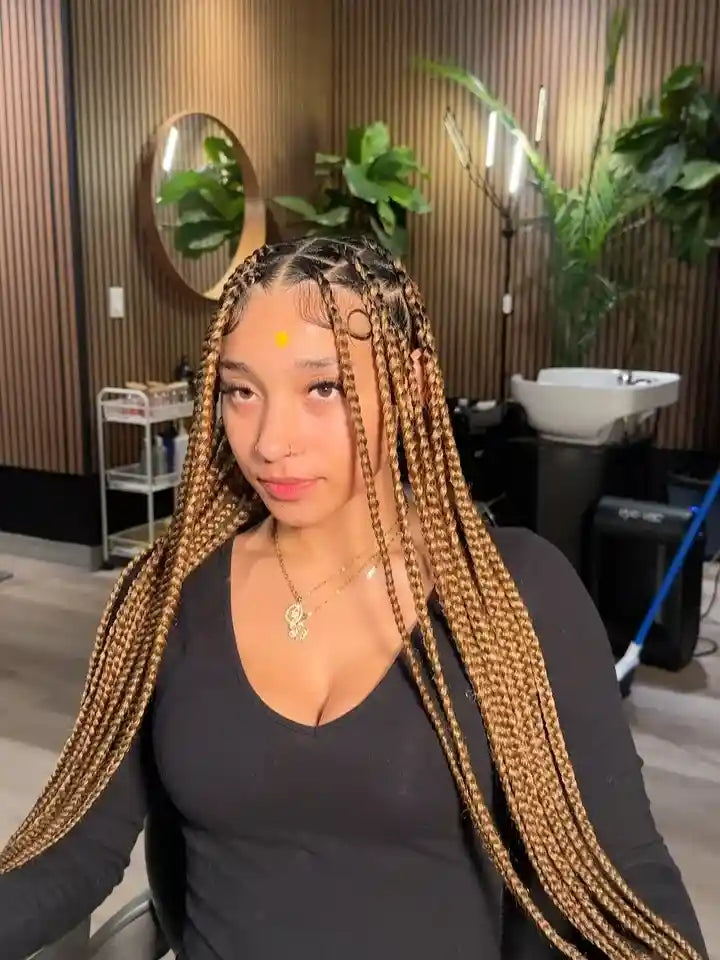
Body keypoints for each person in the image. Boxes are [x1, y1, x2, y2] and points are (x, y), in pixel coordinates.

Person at [0, 236, 707, 960]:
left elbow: (627, 883)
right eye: (242, 392)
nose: (272, 441)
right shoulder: (167, 594)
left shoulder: (512, 593)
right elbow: (70, 851)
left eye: (323, 388)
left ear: (414, 384)